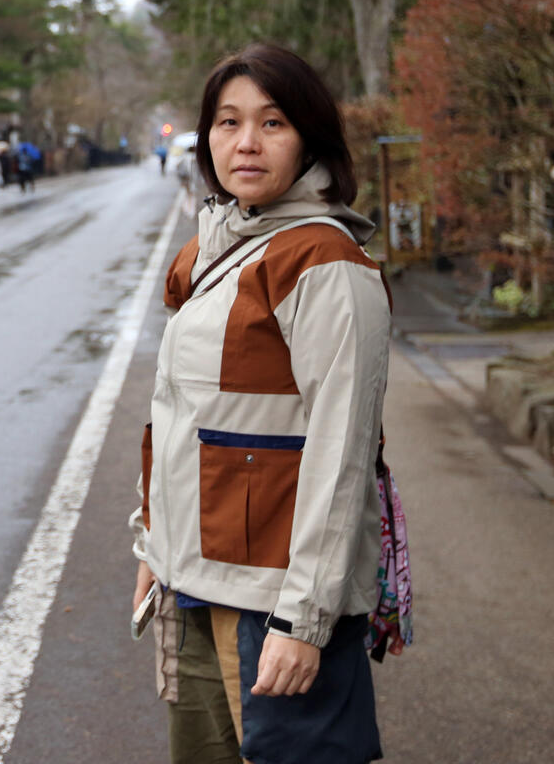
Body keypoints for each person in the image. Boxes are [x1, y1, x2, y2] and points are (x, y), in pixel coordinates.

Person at [131, 43, 392, 764]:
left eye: (272, 123)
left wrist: (304, 622)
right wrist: (153, 545)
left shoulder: (324, 263)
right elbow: (181, 422)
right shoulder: (209, 251)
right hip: (193, 584)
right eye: (228, 121)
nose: (246, 142)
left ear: (310, 137)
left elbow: (342, 458)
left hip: (273, 603)